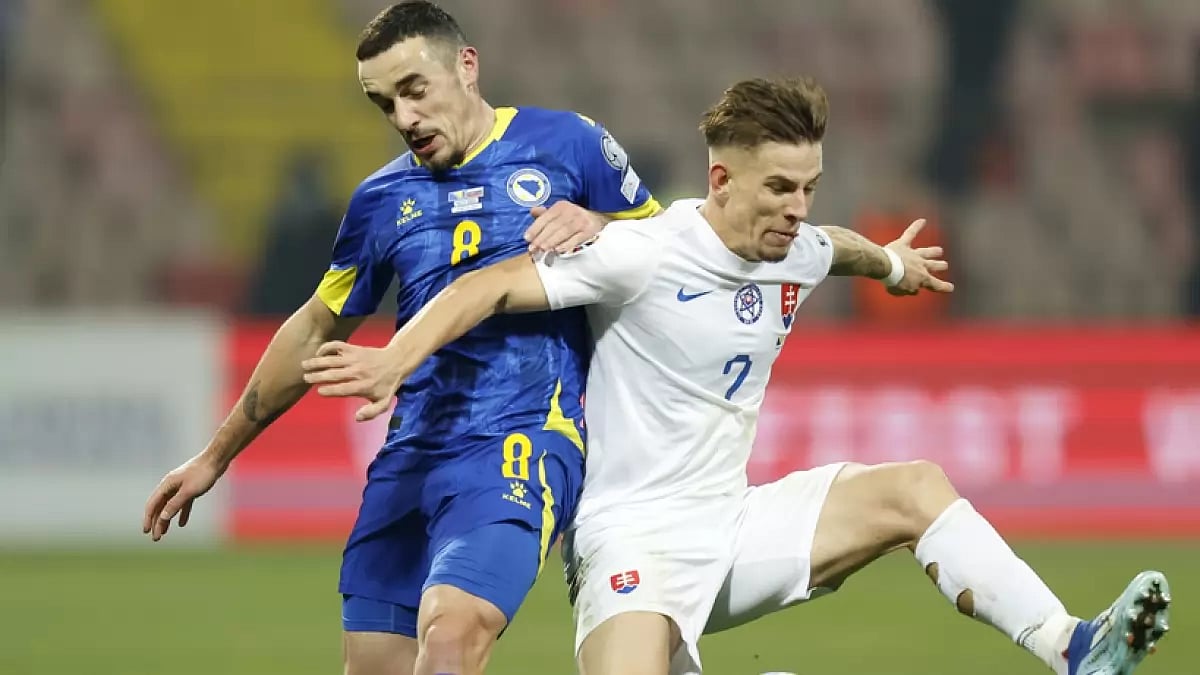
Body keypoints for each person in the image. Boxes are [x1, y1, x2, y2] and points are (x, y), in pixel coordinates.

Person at [301, 76, 1171, 675]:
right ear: (720, 180)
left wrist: (896, 266)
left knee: (913, 487)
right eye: (781, 188)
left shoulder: (797, 244)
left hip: (736, 522)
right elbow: (489, 285)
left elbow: (844, 252)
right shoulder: (637, 252)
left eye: (811, 187)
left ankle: (1071, 644)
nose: (799, 209)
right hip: (628, 540)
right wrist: (394, 357)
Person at [140, 2, 662, 675]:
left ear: (466, 67)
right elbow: (315, 326)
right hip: (410, 460)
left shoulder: (569, 145)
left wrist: (600, 222)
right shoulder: (380, 200)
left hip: (521, 439)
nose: (404, 117)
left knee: (449, 644)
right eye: (383, 103)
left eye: (415, 90)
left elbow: (674, 252)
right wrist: (216, 455)